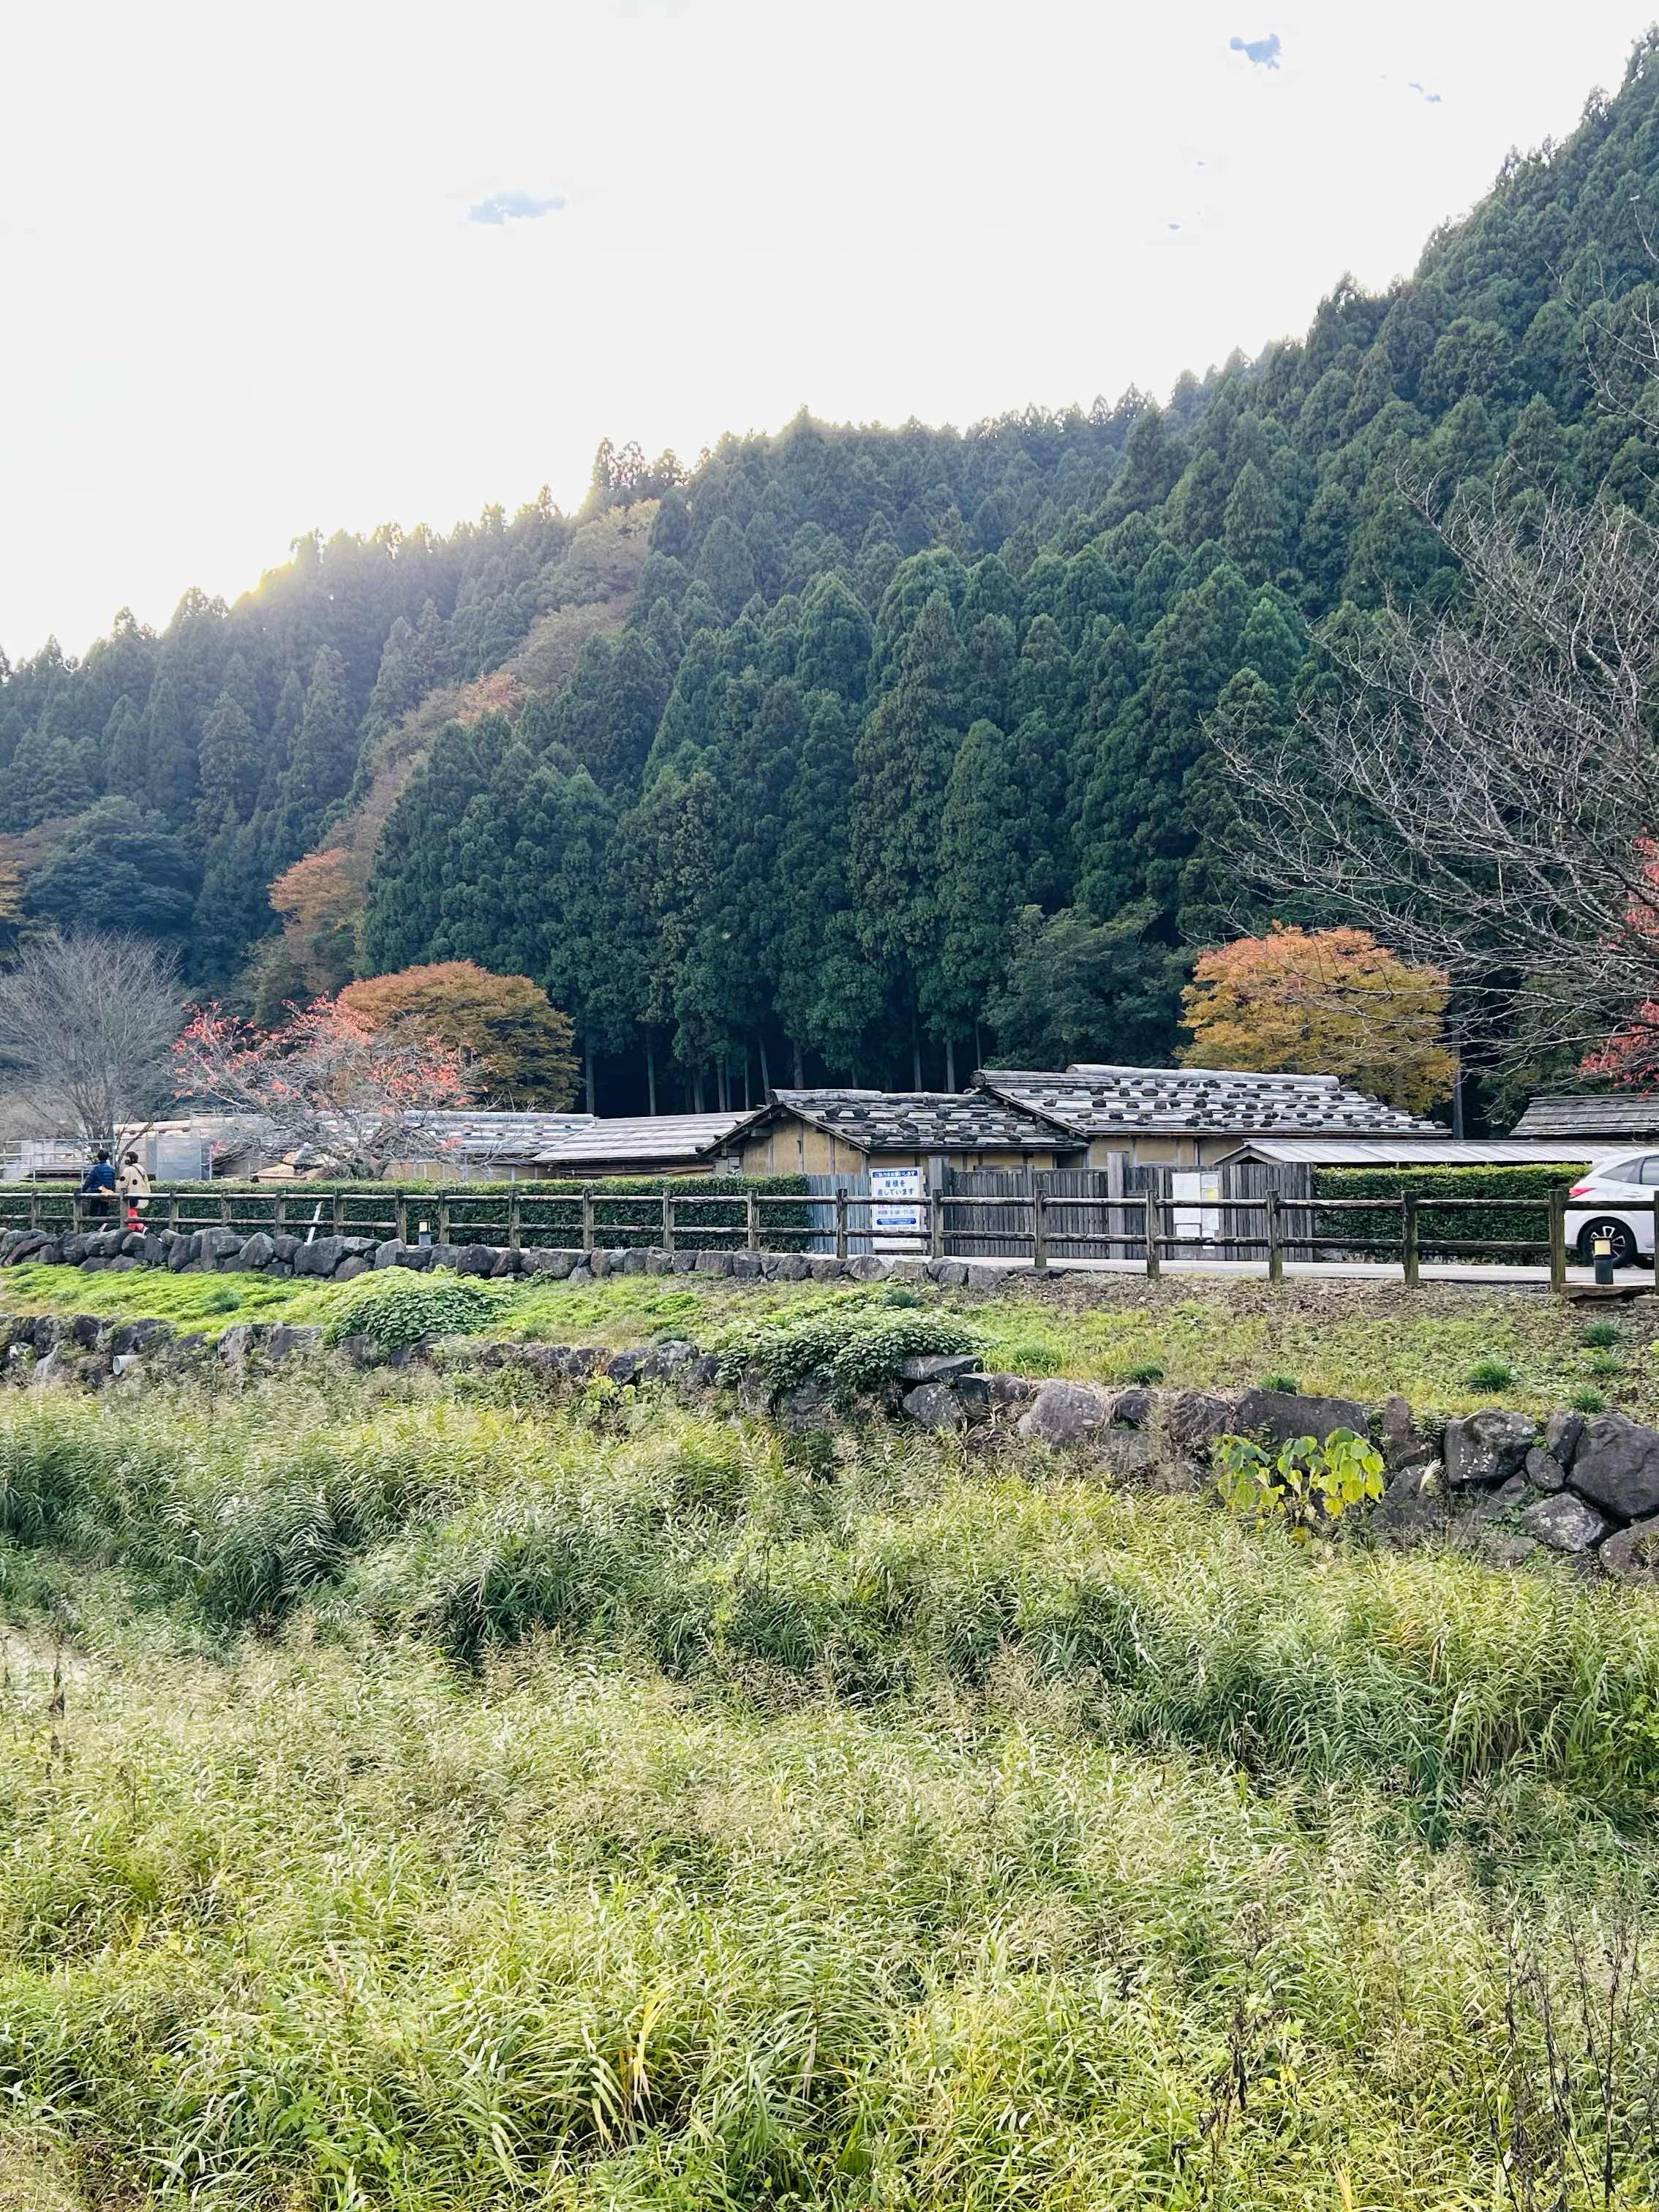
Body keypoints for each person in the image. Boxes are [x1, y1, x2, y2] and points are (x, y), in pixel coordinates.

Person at [115, 1149, 151, 1232]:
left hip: (131, 1193)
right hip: (140, 1193)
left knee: (130, 1211)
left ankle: (140, 1227)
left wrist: (117, 1190)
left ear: (131, 1159)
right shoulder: (141, 1168)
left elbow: (122, 1182)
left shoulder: (129, 1169)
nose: (125, 1160)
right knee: (133, 1211)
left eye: (127, 1158)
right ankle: (133, 1229)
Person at [79, 1148, 116, 1221]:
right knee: (104, 1212)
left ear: (98, 1157)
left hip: (96, 1193)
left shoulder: (95, 1169)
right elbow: (113, 1182)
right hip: (107, 1193)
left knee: (93, 1212)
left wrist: (82, 1191)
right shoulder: (111, 1169)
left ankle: (95, 1229)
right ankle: (103, 1228)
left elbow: (88, 1181)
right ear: (107, 1157)